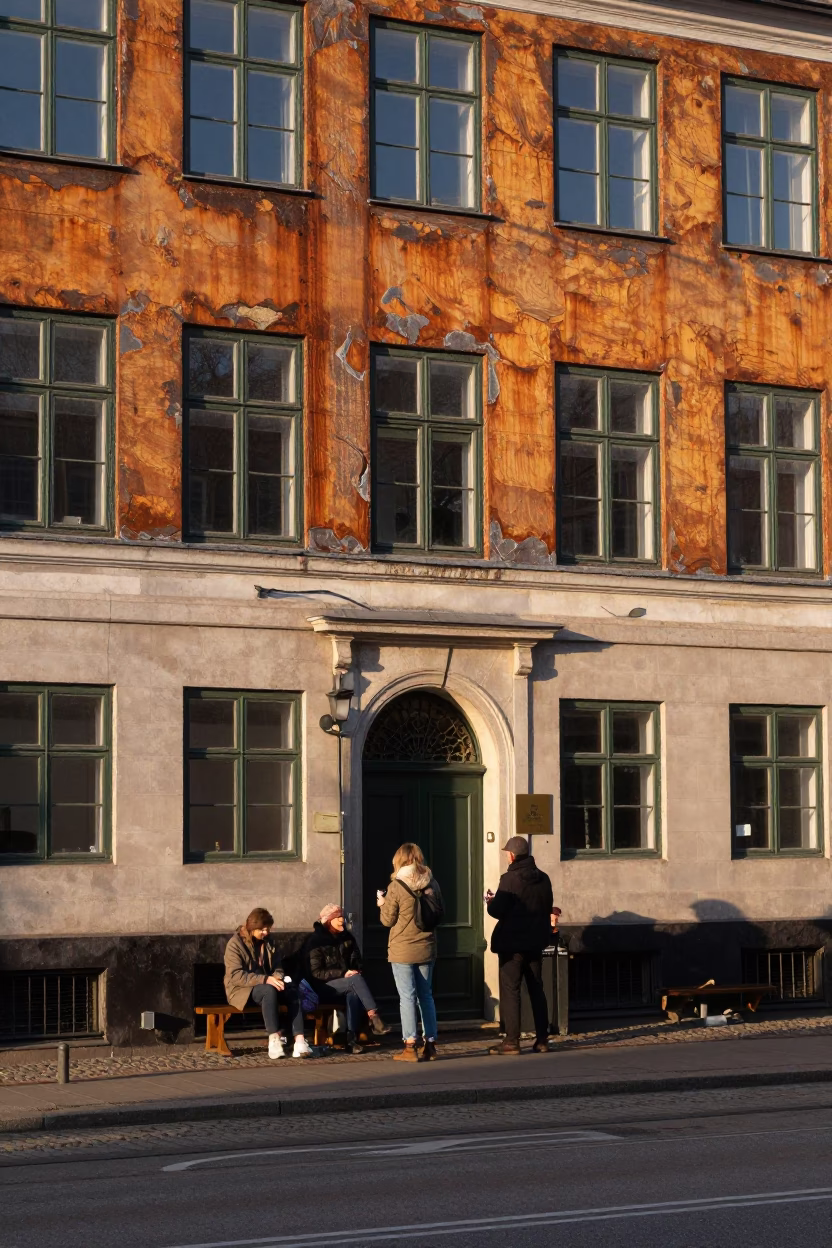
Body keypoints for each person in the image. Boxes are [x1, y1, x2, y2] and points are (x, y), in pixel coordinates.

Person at [486, 836, 553, 1056]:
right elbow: (546, 906)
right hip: (535, 943)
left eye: (507, 853)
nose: (507, 856)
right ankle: (542, 1040)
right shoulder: (544, 879)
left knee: (511, 990)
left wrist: (490, 902)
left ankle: (512, 1042)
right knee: (536, 989)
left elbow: (498, 911)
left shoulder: (509, 879)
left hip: (512, 944)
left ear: (513, 855)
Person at [379, 842, 443, 1063]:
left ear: (399, 860)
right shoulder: (432, 882)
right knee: (426, 995)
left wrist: (382, 903)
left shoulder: (396, 885)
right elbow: (440, 911)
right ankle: (431, 1045)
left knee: (407, 997)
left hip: (403, 949)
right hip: (427, 946)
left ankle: (409, 1046)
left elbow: (387, 920)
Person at [223, 907, 312, 1060]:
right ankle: (274, 1040)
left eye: (268, 929)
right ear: (252, 927)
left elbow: (278, 966)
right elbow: (235, 975)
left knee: (291, 990)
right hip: (242, 990)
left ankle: (299, 1040)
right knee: (268, 990)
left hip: (268, 983)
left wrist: (277, 977)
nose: (266, 932)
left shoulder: (269, 942)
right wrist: (265, 979)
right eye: (262, 929)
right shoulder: (235, 944)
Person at [303, 903, 389, 1053]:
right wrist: (343, 973)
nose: (342, 919)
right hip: (323, 987)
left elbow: (357, 959)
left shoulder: (347, 937)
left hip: (349, 983)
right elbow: (316, 972)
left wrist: (355, 970)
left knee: (354, 992)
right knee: (355, 981)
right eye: (338, 916)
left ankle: (351, 1040)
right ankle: (373, 1016)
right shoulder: (315, 941)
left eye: (343, 916)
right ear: (329, 920)